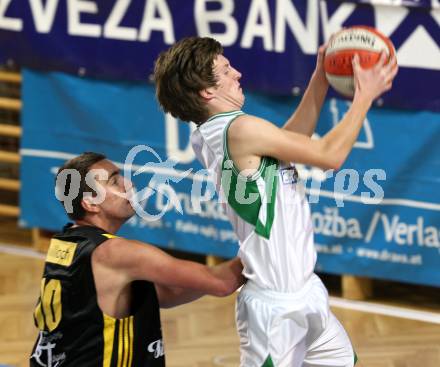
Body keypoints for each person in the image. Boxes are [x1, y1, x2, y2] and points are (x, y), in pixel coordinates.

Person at [154, 36, 398, 367]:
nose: (237, 73)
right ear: (207, 92)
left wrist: (319, 81)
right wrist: (364, 96)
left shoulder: (216, 132)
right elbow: (330, 156)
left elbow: (291, 140)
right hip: (275, 311)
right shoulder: (241, 130)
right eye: (226, 70)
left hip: (306, 293)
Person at [30, 152, 244, 367]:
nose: (128, 184)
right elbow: (222, 283)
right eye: (114, 181)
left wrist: (201, 282)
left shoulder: (65, 242)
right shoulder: (115, 252)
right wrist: (264, 245)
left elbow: (165, 295)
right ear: (90, 204)